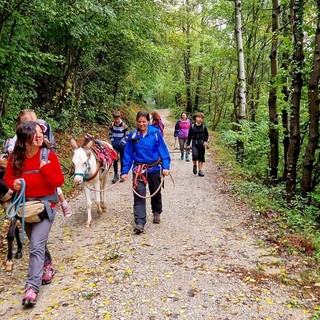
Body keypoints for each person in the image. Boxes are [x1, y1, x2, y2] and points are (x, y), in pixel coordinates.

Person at [4, 121, 64, 306]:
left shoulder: (48, 155)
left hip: (46, 206)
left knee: (36, 245)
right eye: (35, 134)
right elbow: (8, 177)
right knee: (37, 242)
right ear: (25, 139)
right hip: (25, 208)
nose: (39, 136)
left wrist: (45, 168)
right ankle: (48, 265)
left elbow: (59, 181)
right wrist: (13, 183)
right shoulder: (16, 157)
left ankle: (31, 288)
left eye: (40, 133)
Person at [7, 109, 72, 217]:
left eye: (35, 121)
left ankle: (63, 203)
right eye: (29, 122)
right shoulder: (15, 140)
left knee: (53, 184)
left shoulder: (42, 134)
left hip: (43, 165)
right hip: (23, 172)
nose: (34, 124)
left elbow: (50, 148)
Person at [121, 110, 171, 234]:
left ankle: (156, 211)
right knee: (139, 194)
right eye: (139, 122)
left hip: (153, 168)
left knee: (155, 191)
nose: (142, 124)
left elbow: (163, 150)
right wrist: (125, 171)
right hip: (139, 170)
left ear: (148, 121)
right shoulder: (133, 136)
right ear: (136, 122)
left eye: (144, 122)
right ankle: (139, 222)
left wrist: (165, 166)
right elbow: (127, 154)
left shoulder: (155, 133)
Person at [108, 110, 129, 183]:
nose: (117, 120)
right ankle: (116, 174)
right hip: (115, 145)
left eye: (118, 118)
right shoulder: (112, 124)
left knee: (122, 159)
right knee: (115, 159)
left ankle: (122, 174)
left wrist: (123, 141)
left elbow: (127, 135)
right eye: (115, 119)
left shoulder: (123, 125)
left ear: (120, 117)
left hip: (122, 145)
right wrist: (112, 140)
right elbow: (110, 133)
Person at [186, 112, 209, 177]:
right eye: (199, 117)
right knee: (195, 155)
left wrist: (205, 141)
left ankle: (200, 171)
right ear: (196, 118)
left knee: (201, 157)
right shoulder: (192, 126)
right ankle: (194, 165)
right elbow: (189, 136)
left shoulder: (204, 126)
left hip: (201, 143)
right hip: (194, 143)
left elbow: (206, 135)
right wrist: (188, 144)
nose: (200, 119)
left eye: (201, 118)